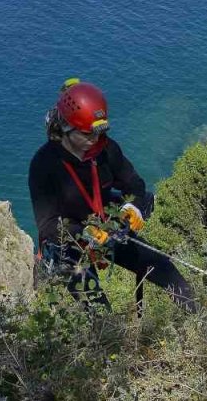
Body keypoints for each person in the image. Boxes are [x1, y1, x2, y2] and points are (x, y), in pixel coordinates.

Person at [28, 78, 198, 313]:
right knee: (98, 310)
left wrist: (134, 207)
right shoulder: (44, 164)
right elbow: (47, 225)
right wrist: (86, 233)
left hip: (106, 225)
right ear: (66, 129)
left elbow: (134, 184)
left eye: (98, 134)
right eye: (87, 135)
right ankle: (110, 340)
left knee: (161, 266)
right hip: (68, 243)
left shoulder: (105, 149)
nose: (94, 140)